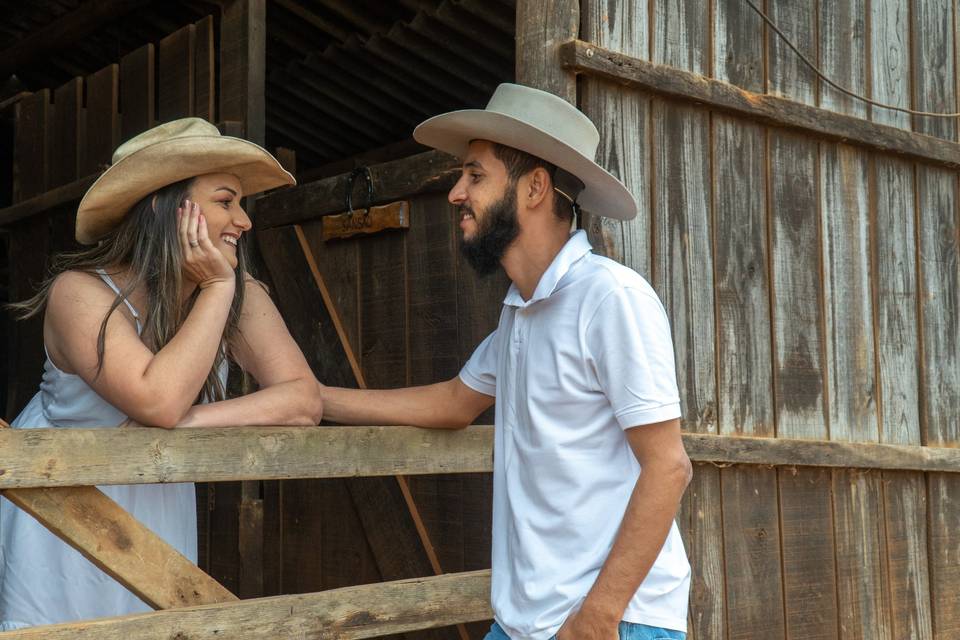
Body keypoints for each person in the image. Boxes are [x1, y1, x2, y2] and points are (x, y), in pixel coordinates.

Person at [320, 83, 692, 640]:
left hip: (611, 623)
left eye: (475, 175)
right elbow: (454, 401)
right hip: (525, 624)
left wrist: (600, 614)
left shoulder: (610, 298)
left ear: (535, 187)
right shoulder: (520, 313)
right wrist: (318, 398)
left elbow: (669, 466)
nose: (455, 193)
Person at [1, 117, 323, 629]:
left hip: (156, 506)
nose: (244, 220)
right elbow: (157, 400)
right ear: (164, 207)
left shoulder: (241, 294)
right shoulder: (79, 293)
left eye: (241, 203)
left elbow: (303, 401)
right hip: (61, 516)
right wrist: (216, 290)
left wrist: (188, 424)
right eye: (225, 201)